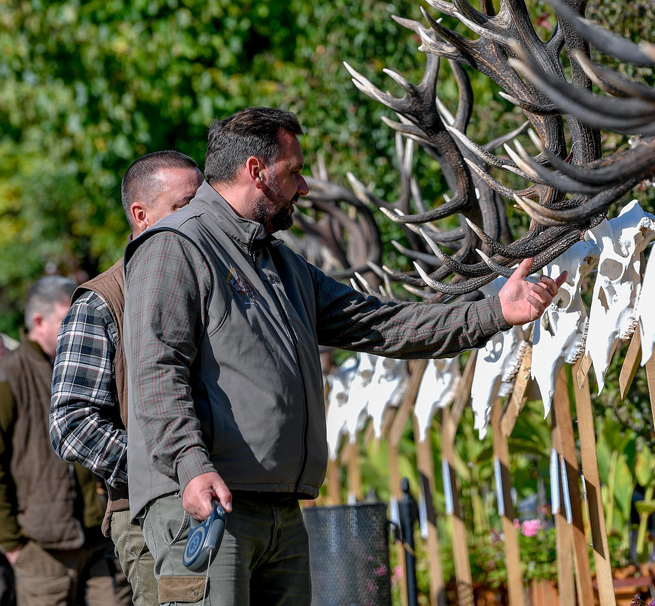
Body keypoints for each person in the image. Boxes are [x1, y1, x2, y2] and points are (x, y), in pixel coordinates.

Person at [124, 107, 565, 605]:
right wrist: (190, 465)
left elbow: (382, 324)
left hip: (278, 509)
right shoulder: (174, 246)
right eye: (294, 172)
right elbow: (156, 371)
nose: (305, 187)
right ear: (256, 171)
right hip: (205, 504)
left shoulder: (282, 264)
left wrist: (493, 314)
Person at [49, 151, 204, 606]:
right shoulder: (102, 301)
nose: (199, 217)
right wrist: (163, 470)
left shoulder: (207, 277)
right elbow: (70, 423)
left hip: (229, 504)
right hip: (148, 514)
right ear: (141, 215)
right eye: (185, 205)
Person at [0, 277, 132, 606]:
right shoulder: (9, 375)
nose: (78, 324)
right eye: (66, 318)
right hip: (41, 549)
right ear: (38, 321)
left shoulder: (92, 365)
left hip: (99, 538)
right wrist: (12, 543)